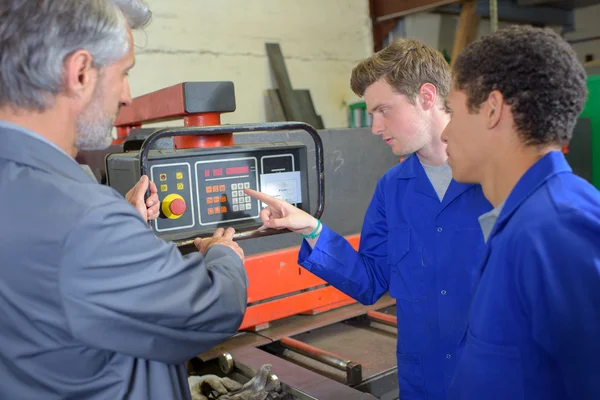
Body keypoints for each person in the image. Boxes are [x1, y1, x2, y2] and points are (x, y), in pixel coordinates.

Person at [0, 1, 248, 399]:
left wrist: (122, 226)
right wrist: (224, 255)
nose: (127, 96)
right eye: (124, 73)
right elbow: (210, 311)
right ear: (80, 72)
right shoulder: (87, 220)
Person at [245, 38, 492, 399]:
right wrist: (311, 229)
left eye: (384, 110)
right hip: (425, 384)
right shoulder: (392, 189)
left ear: (426, 97)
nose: (375, 127)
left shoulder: (495, 176)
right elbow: (371, 280)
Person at [441, 25, 600, 399]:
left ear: (492, 109)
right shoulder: (523, 221)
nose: (445, 134)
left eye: (453, 111)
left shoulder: (557, 230)